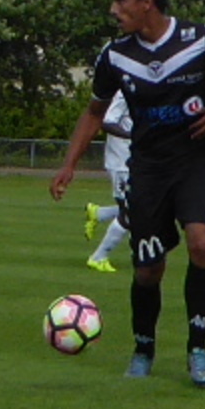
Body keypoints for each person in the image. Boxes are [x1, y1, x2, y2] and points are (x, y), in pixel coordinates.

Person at [50, 0, 205, 388]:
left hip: (199, 159)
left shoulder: (203, 38)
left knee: (202, 242)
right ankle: (143, 348)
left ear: (146, 3)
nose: (113, 9)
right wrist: (69, 164)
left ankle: (198, 348)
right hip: (149, 168)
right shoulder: (115, 56)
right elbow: (95, 111)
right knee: (148, 269)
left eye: (120, 0)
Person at [83, 90, 132, 273]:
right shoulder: (124, 93)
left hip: (136, 161)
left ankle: (99, 213)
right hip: (121, 162)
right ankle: (98, 257)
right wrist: (133, 136)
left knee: (143, 207)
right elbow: (107, 122)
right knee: (131, 213)